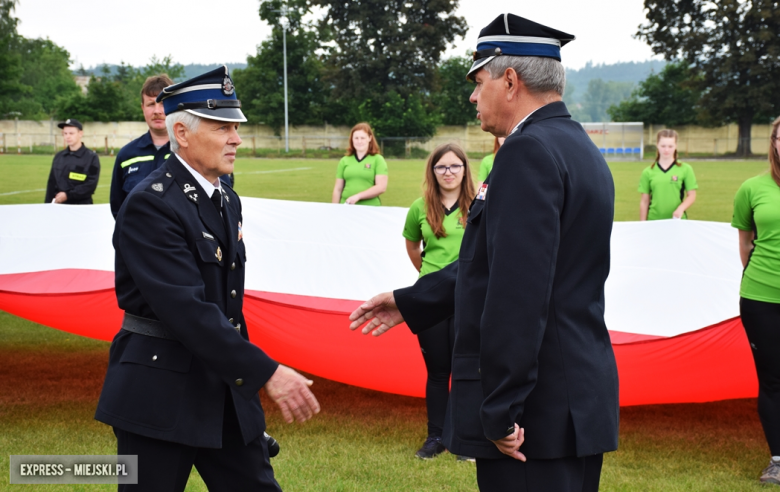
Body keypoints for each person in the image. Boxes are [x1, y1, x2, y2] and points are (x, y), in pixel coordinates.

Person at [349, 14, 618, 492]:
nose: (473, 96)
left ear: (510, 81)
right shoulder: (579, 147)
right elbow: (496, 262)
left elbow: (519, 292)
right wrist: (413, 299)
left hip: (532, 416)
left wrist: (499, 409)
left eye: (479, 81)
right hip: (574, 399)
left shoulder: (526, 151)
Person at [95, 66, 320, 491]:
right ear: (182, 133)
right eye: (223, 127)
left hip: (222, 387)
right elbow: (186, 309)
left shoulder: (224, 196)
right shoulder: (150, 204)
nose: (236, 138)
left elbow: (225, 304)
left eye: (236, 127)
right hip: (159, 393)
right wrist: (266, 372)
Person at [402, 143, 476, 462]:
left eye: (454, 166)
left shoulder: (477, 206)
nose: (448, 173)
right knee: (437, 370)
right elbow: (412, 246)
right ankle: (436, 437)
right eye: (441, 167)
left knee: (465, 370)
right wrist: (429, 279)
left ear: (464, 170)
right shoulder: (420, 206)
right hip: (430, 299)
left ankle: (464, 438)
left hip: (468, 298)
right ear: (432, 171)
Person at [732, 115, 780, 486]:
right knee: (773, 380)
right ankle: (777, 460)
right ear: (773, 143)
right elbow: (745, 245)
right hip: (762, 297)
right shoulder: (752, 188)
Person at [109, 75, 174, 218]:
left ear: (174, 105)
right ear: (143, 108)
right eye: (151, 104)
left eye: (163, 103)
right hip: (136, 239)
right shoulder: (126, 155)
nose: (157, 111)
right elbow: (118, 208)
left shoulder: (191, 151)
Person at [638, 129, 698, 220]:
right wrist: (642, 224)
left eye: (670, 146)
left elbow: (692, 195)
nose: (666, 150)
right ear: (657, 145)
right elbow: (644, 201)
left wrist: (681, 209)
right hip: (653, 221)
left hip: (677, 221)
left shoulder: (685, 169)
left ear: (676, 146)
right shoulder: (648, 171)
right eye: (663, 146)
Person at [44, 119, 100, 204]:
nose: (67, 136)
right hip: (59, 208)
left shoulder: (92, 158)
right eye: (65, 133)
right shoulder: (59, 156)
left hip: (81, 208)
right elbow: (51, 183)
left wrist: (68, 195)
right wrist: (47, 205)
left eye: (71, 133)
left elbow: (90, 185)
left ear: (80, 133)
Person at [331, 122, 388, 205]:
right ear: (352, 139)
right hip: (346, 208)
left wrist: (358, 196)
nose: (359, 141)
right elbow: (338, 189)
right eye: (356, 138)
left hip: (370, 209)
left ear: (370, 138)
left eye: (362, 138)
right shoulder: (344, 160)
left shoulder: (378, 160)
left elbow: (381, 187)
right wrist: (334, 209)